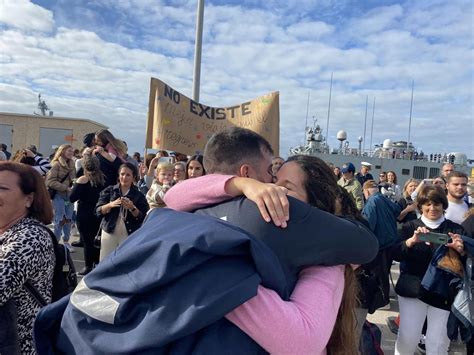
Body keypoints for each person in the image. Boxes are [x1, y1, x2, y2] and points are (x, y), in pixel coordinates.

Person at [166, 155, 360, 354]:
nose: (274, 190)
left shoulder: (327, 262)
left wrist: (211, 272)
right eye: (274, 182)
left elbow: (300, 342)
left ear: (314, 207)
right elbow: (174, 197)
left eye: (288, 187)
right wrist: (241, 184)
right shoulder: (263, 231)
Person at [392, 185, 466, 354]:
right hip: (413, 289)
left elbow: (465, 263)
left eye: (437, 204)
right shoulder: (409, 227)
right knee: (407, 338)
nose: (432, 208)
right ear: (420, 206)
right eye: (427, 204)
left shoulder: (455, 230)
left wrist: (459, 250)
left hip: (443, 291)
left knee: (438, 342)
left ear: (443, 205)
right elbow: (395, 254)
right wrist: (411, 242)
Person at [0, 162, 55, 353]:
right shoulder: (6, 232)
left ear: (29, 199)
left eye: (2, 188)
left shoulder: (31, 237)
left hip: (19, 346)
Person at [95, 162, 149, 261]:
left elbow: (142, 217)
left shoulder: (139, 195)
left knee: (124, 262)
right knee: (105, 260)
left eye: (128, 175)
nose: (124, 177)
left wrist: (132, 208)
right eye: (122, 174)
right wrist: (110, 205)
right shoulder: (110, 190)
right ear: (118, 175)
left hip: (129, 233)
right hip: (109, 231)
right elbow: (98, 211)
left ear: (133, 177)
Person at [69, 155, 105, 275]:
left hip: (84, 213)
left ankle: (88, 266)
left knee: (87, 241)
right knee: (97, 240)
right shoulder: (103, 178)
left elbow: (72, 198)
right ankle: (97, 263)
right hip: (99, 212)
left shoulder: (83, 179)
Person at [45, 144, 76, 250]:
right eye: (69, 151)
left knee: (68, 219)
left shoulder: (72, 164)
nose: (71, 153)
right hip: (58, 195)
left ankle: (66, 241)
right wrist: (65, 187)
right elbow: (50, 181)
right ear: (62, 152)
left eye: (72, 151)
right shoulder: (56, 164)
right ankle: (55, 243)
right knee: (60, 219)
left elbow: (73, 179)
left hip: (69, 196)